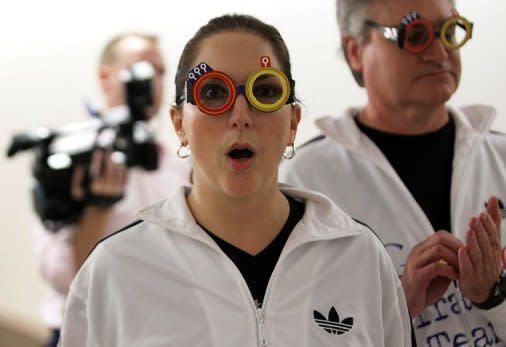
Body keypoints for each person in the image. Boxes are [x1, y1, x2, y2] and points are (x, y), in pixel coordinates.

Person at [58, 14, 411, 346]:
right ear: (180, 123)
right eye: (213, 93)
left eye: (265, 93)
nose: (241, 116)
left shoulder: (358, 256)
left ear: (293, 122)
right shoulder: (116, 270)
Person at [280, 0, 506, 345]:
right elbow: (289, 332)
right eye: (414, 33)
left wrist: (497, 295)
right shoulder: (305, 182)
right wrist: (395, 305)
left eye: (450, 32)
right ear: (356, 50)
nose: (439, 51)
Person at [35, 32, 191, 347]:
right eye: (141, 69)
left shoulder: (179, 163)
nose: (153, 83)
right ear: (106, 78)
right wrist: (97, 209)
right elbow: (63, 276)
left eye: (161, 72)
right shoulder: (72, 161)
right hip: (89, 333)